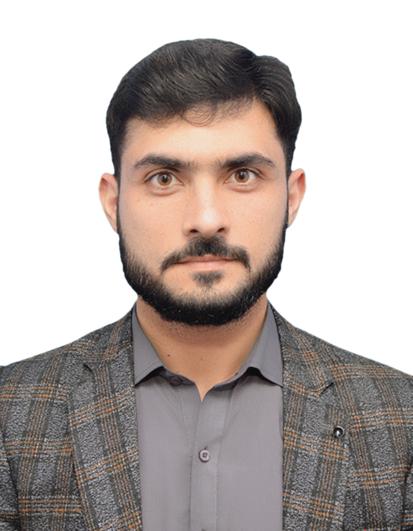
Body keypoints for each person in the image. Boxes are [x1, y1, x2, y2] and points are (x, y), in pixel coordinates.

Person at [0, 38, 411, 531]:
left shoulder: (401, 419)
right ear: (113, 203)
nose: (207, 218)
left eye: (242, 174)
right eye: (164, 178)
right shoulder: (10, 415)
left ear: (291, 196)